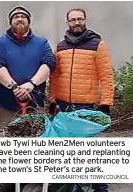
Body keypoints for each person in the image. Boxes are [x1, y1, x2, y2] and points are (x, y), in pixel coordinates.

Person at [0, 5, 55, 192]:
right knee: (10, 146)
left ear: (28, 21)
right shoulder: (0, 43)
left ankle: (33, 183)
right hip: (8, 106)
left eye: (23, 16)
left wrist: (31, 85)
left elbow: (49, 63)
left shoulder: (41, 43)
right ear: (10, 22)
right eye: (15, 17)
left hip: (35, 106)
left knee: (35, 146)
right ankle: (9, 184)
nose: (19, 19)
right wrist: (14, 87)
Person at [49, 8, 114, 192]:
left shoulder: (97, 44)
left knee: (88, 150)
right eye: (73, 20)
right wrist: (52, 100)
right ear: (67, 22)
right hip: (63, 105)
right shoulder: (60, 47)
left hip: (86, 106)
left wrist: (105, 103)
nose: (76, 22)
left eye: (80, 19)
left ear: (85, 20)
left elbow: (106, 76)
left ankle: (100, 186)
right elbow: (54, 76)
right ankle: (73, 186)